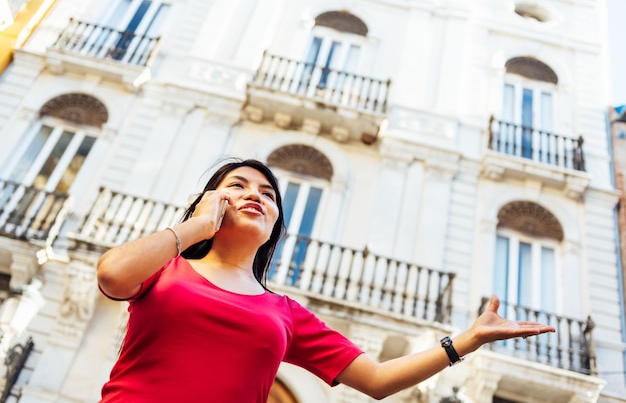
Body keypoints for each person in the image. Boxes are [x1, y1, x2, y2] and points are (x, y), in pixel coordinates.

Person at [97, 158, 555, 402]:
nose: (254, 194)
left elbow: (376, 380)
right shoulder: (166, 264)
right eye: (237, 185)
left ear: (275, 223)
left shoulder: (284, 313)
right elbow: (114, 276)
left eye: (268, 193)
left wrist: (466, 341)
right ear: (210, 200)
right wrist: (197, 227)